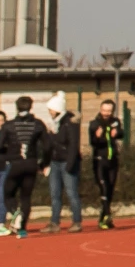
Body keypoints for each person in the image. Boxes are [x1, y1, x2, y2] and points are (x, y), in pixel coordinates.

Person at [0, 96, 50, 238]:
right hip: (31, 164)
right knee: (26, 197)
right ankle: (22, 229)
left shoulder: (9, 125)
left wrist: (7, 155)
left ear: (17, 107)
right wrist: (44, 163)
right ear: (31, 107)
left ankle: (16, 214)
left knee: (7, 193)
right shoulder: (38, 124)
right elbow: (47, 146)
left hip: (15, 163)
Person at [47, 100, 83, 231]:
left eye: (51, 109)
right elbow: (51, 144)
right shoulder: (54, 124)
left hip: (67, 162)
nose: (49, 112)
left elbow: (73, 145)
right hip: (54, 162)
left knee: (71, 193)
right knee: (54, 193)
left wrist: (70, 164)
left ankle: (77, 222)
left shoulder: (70, 124)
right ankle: (54, 222)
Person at [89, 99, 126, 229]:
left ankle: (103, 218)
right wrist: (97, 137)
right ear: (100, 109)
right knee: (103, 188)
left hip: (113, 160)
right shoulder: (95, 124)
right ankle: (108, 214)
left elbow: (122, 134)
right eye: (104, 110)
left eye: (109, 111)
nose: (106, 113)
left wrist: (117, 133)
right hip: (99, 160)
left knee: (110, 189)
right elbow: (93, 142)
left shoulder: (115, 121)